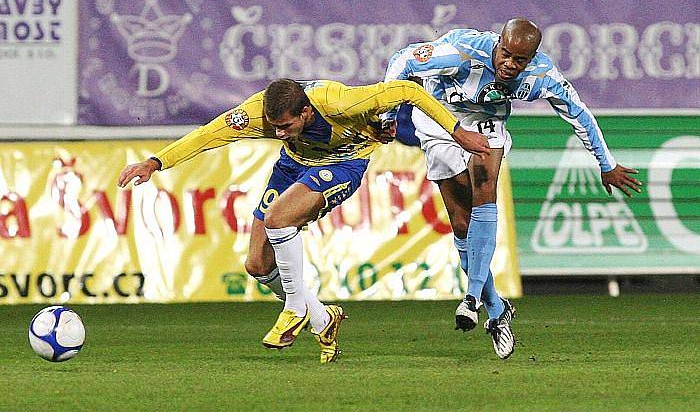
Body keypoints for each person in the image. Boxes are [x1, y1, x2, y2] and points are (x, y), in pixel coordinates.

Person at [117, 78, 490, 363]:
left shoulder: (339, 102)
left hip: (344, 165)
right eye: (274, 127)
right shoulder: (256, 114)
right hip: (292, 166)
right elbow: (207, 135)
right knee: (257, 265)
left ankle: (295, 306)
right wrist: (155, 162)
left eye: (285, 127)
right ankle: (321, 317)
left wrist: (459, 133)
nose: (277, 132)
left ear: (306, 113)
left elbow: (409, 89)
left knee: (279, 218)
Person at [384, 18, 642, 359]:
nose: (509, 64)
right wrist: (386, 115)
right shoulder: (459, 53)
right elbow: (402, 60)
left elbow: (579, 113)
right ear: (498, 44)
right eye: (505, 54)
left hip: (488, 124)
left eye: (519, 60)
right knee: (461, 224)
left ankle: (472, 297)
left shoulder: (541, 76)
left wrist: (605, 164)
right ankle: (496, 307)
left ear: (531, 57)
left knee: (485, 189)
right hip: (439, 119)